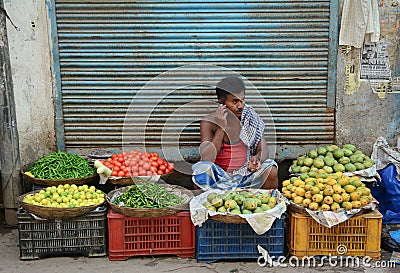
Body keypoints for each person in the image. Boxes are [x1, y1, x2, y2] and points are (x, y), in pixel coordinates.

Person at [192, 75, 278, 191]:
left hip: (246, 175)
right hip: (219, 179)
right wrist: (221, 127)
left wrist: (256, 159)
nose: (240, 106)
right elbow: (207, 157)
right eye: (235, 101)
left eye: (242, 100)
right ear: (222, 102)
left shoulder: (249, 118)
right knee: (201, 170)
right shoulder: (208, 122)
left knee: (270, 168)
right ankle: (201, 208)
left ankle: (269, 204)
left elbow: (263, 151)